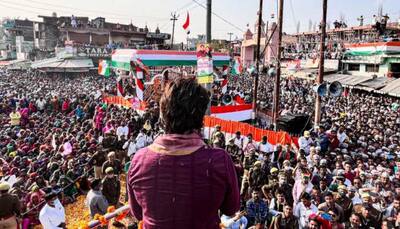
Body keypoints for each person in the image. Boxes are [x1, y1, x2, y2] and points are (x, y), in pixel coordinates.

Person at [127, 78, 240, 228]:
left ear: (163, 116)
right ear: (201, 118)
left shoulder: (139, 160)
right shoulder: (219, 160)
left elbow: (138, 213)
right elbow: (231, 208)